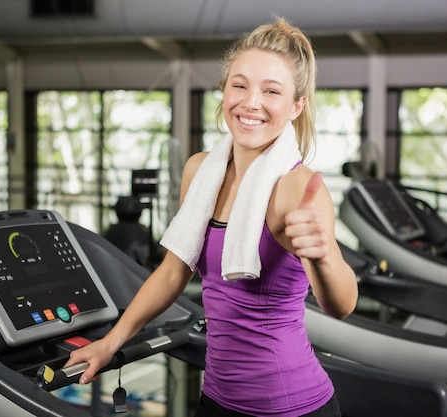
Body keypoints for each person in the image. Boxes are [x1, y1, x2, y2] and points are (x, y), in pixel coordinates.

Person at [65, 16, 358, 417]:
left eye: (271, 91)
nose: (251, 102)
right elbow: (172, 272)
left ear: (296, 106)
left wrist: (325, 256)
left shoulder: (296, 187)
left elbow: (341, 304)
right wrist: (110, 343)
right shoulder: (201, 171)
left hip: (291, 406)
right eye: (239, 85)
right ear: (224, 90)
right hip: (217, 401)